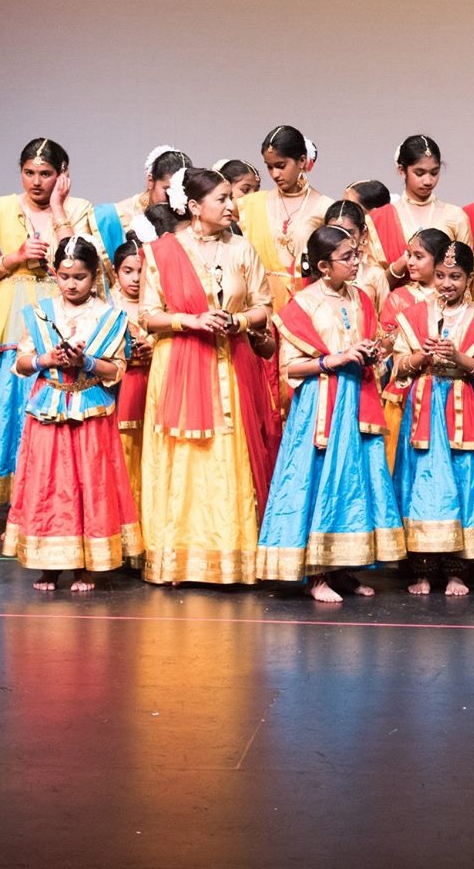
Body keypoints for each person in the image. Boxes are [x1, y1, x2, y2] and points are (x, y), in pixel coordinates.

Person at [137, 167, 275, 586]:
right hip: (179, 363)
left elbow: (264, 306)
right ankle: (177, 559)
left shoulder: (242, 249)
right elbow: (148, 315)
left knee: (228, 457)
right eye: (223, 199)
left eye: (232, 197)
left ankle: (231, 559)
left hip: (232, 365)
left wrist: (237, 321)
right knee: (184, 458)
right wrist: (190, 320)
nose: (232, 205)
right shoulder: (162, 252)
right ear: (195, 207)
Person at [258, 225, 404, 603]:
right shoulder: (302, 305)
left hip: (356, 400)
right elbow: (290, 368)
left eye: (357, 254)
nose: (356, 262)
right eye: (347, 257)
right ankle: (316, 574)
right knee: (319, 480)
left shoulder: (361, 297)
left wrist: (372, 352)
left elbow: (368, 343)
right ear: (324, 266)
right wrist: (332, 360)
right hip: (320, 405)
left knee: (355, 483)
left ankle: (344, 569)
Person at [4, 237, 140, 593]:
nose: (71, 284)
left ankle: (85, 566)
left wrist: (86, 361)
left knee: (88, 483)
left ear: (94, 275)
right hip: (48, 407)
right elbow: (21, 363)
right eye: (64, 277)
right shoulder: (41, 312)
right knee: (48, 483)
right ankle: (49, 565)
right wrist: (45, 359)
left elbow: (117, 369)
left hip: (90, 410)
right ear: (55, 274)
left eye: (80, 277)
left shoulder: (110, 317)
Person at [0, 138, 100, 506]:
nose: (36, 181)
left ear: (62, 175)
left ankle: (51, 496)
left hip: (62, 317)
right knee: (9, 410)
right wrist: (15, 257)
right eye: (29, 172)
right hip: (12, 322)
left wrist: (59, 208)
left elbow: (80, 260)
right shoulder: (1, 209)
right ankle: (14, 503)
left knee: (54, 406)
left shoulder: (78, 209)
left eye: (45, 174)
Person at [386, 234, 474, 597]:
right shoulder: (414, 316)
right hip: (423, 408)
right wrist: (421, 358)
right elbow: (397, 367)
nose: (446, 284)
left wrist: (459, 359)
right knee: (423, 483)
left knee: (463, 481)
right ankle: (422, 570)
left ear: (470, 278)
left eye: (455, 277)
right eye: (440, 275)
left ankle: (457, 571)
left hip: (462, 405)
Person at [236, 125, 331, 312]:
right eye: (269, 167)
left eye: (281, 166)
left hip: (305, 306)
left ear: (302, 161)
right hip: (258, 305)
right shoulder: (252, 204)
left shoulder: (324, 207)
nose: (275, 174)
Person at [369, 135, 473, 284]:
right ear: (402, 170)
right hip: (395, 298)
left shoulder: (455, 216)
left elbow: (467, 274)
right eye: (419, 173)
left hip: (445, 298)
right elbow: (371, 284)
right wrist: (399, 267)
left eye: (434, 173)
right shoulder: (378, 219)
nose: (428, 181)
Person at [110, 241, 154, 507]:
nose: (136, 279)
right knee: (124, 448)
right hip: (121, 387)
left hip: (154, 383)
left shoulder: (159, 306)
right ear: (115, 272)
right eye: (128, 271)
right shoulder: (107, 306)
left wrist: (154, 348)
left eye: (141, 271)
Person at [95, 147, 192, 262]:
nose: (174, 199)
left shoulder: (191, 222)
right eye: (168, 190)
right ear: (150, 181)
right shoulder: (109, 218)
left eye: (182, 192)